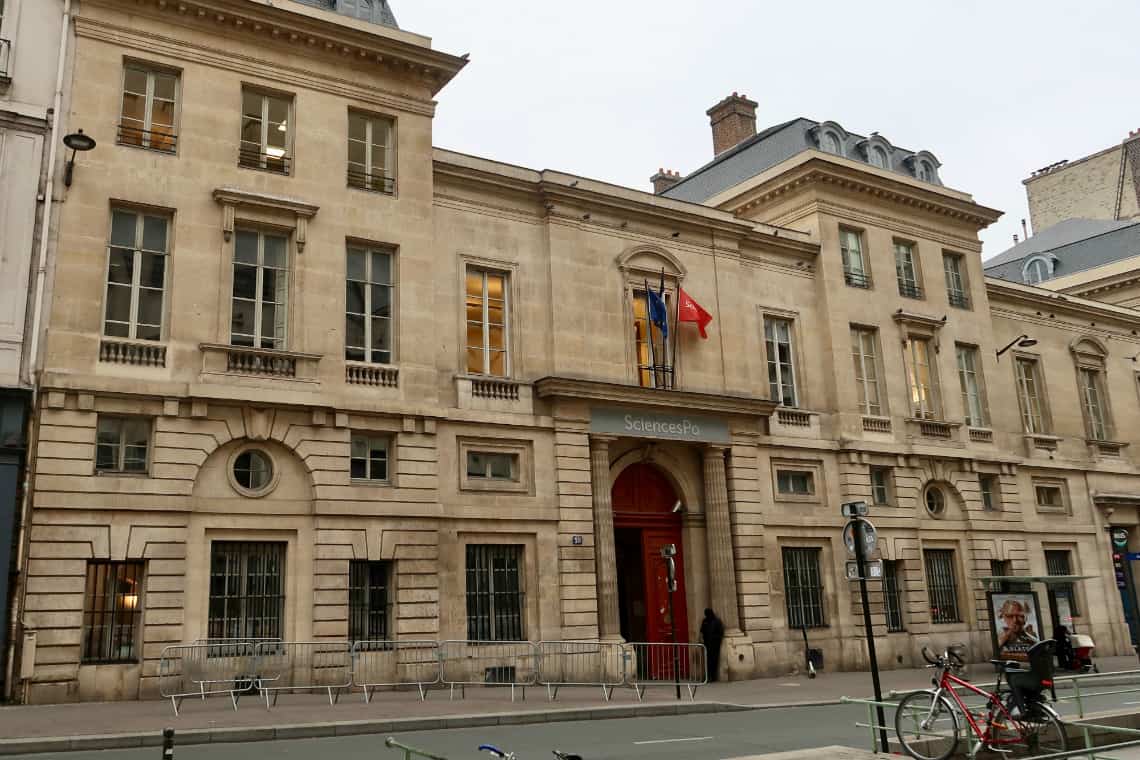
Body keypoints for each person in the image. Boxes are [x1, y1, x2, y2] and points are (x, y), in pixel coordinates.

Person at [700, 608, 725, 682]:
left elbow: (720, 632)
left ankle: (712, 676)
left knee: (713, 660)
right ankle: (708, 676)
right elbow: (702, 631)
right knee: (708, 660)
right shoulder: (705, 621)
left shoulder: (717, 621)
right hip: (707, 644)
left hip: (714, 645)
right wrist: (702, 639)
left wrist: (716, 640)